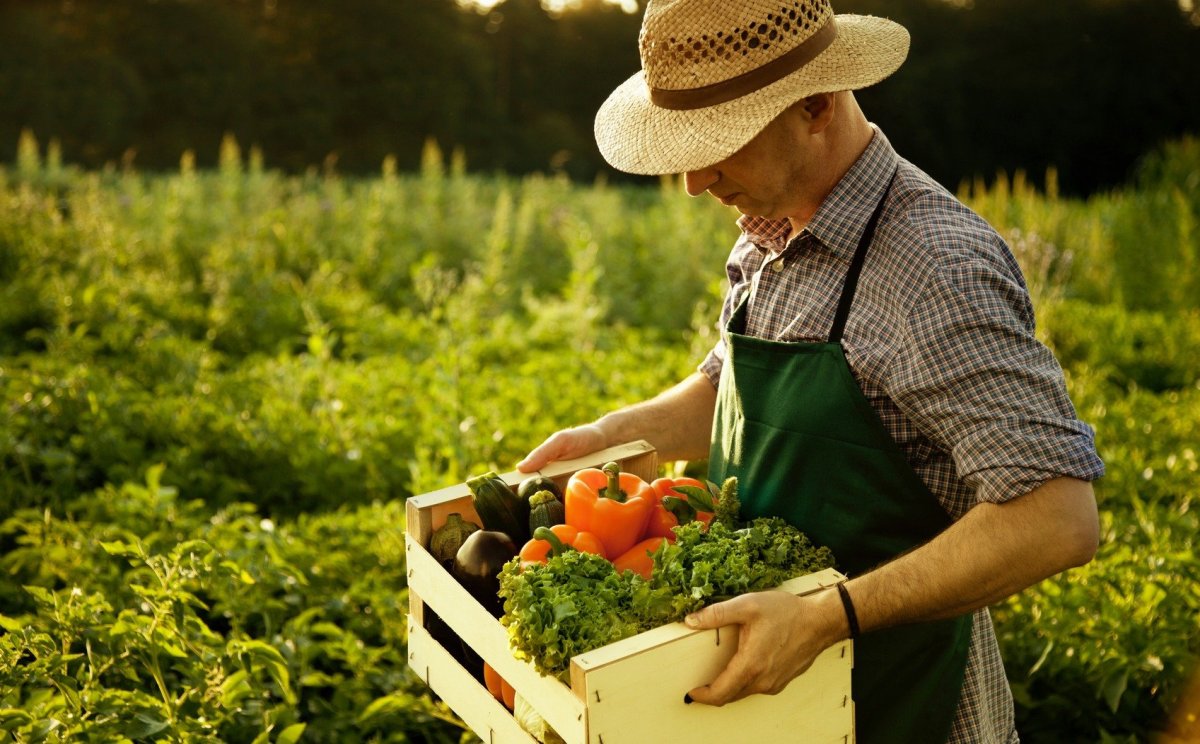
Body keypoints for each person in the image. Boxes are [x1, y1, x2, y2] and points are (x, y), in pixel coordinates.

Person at [517, 1, 1104, 742]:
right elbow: (729, 382)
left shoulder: (933, 266)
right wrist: (619, 430)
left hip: (899, 700)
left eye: (718, 142)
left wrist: (828, 617)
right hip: (769, 703)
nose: (695, 181)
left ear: (817, 106)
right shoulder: (769, 227)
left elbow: (1057, 517)